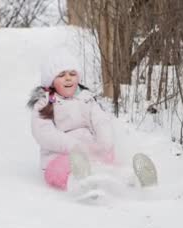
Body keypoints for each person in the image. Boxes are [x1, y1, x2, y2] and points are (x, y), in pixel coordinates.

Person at [27, 51, 156, 192]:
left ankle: (133, 178)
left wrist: (104, 142)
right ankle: (82, 183)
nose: (68, 78)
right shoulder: (44, 102)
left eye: (72, 74)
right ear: (50, 81)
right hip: (59, 155)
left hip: (90, 149)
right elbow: (44, 133)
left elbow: (101, 121)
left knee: (108, 159)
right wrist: (74, 147)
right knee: (61, 170)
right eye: (62, 75)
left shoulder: (86, 98)